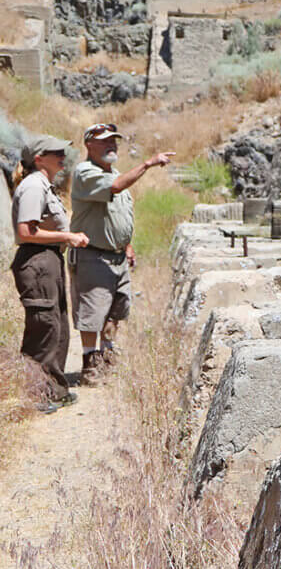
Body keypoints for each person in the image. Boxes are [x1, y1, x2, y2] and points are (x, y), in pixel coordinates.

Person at [69, 123, 175, 386]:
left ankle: (106, 356)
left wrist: (126, 244)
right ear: (89, 145)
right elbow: (115, 187)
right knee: (92, 313)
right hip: (93, 256)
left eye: (114, 141)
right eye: (105, 141)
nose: (112, 145)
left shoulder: (115, 173)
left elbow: (120, 214)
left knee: (117, 310)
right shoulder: (86, 173)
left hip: (116, 257)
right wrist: (148, 164)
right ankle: (89, 364)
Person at [10, 136, 89, 412]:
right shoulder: (33, 186)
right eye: (56, 152)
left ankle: (53, 391)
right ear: (39, 159)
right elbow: (25, 232)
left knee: (56, 325)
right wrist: (66, 235)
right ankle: (35, 396)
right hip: (37, 260)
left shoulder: (42, 185)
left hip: (47, 260)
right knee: (44, 328)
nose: (62, 155)